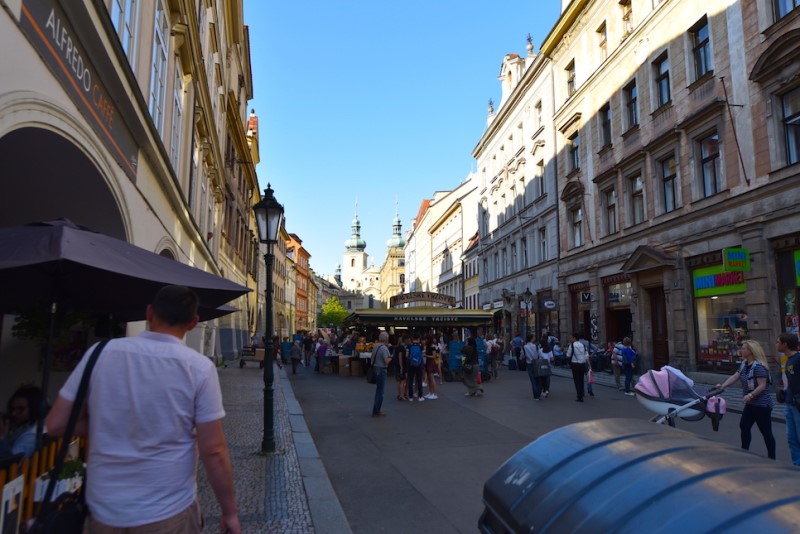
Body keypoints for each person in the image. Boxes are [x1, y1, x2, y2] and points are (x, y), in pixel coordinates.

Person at [46, 285, 240, 533]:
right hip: (168, 512)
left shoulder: (101, 353)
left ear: (149, 313)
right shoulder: (199, 368)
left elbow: (56, 424)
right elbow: (213, 450)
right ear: (193, 323)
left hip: (104, 511)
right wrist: (229, 512)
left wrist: (110, 423)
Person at [715, 339, 776, 459]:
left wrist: (750, 395)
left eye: (743, 348)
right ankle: (744, 452)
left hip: (761, 405)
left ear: (750, 351)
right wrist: (722, 385)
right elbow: (735, 376)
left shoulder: (758, 367)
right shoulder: (744, 364)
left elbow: (762, 385)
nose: (741, 350)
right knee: (744, 425)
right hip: (750, 403)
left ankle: (772, 457)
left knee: (765, 432)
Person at [0, 385, 45, 459]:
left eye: (21, 409)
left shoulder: (31, 435)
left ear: (34, 409)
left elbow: (11, 462)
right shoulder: (16, 427)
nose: (13, 413)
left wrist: (2, 437)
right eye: (12, 409)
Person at [777, 332, 800, 465]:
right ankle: (797, 466)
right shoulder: (788, 360)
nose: (776, 344)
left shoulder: (798, 359)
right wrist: (785, 394)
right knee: (791, 438)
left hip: (797, 404)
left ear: (784, 345)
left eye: (777, 342)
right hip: (789, 404)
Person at [371, 331, 392, 417]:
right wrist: (391, 358)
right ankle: (377, 410)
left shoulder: (375, 346)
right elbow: (386, 361)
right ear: (386, 339)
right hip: (381, 370)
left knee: (378, 390)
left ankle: (376, 409)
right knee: (380, 392)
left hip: (375, 369)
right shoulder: (384, 348)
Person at [566, 333, 588, 402]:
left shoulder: (571, 345)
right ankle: (582, 392)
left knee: (576, 380)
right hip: (583, 364)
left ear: (574, 338)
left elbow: (568, 355)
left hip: (575, 364)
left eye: (571, 338)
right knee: (581, 379)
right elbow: (586, 355)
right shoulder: (583, 345)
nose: (570, 339)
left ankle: (579, 396)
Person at [407, 333, 426, 401]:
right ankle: (420, 396)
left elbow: (407, 355)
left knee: (411, 380)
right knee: (419, 380)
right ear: (418, 339)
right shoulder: (421, 346)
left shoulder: (409, 346)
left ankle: (411, 396)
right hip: (419, 364)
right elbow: (423, 356)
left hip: (411, 365)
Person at [523, 335, 542, 400]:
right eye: (534, 337)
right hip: (537, 363)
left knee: (533, 380)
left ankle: (535, 395)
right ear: (531, 339)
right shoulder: (536, 346)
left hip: (529, 363)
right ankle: (538, 394)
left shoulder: (525, 347)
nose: (535, 338)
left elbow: (522, 355)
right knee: (538, 379)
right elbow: (540, 354)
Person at [423, 334, 439, 400]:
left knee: (432, 378)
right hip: (428, 362)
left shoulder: (432, 347)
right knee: (429, 379)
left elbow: (434, 356)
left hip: (431, 362)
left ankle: (435, 394)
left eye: (426, 339)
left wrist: (426, 355)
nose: (425, 340)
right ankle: (430, 392)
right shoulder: (428, 346)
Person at [393, 336, 409, 401]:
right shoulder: (401, 348)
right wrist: (401, 366)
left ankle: (400, 394)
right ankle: (402, 395)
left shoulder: (397, 347)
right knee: (402, 381)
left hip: (397, 366)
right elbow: (400, 356)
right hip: (401, 366)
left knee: (399, 381)